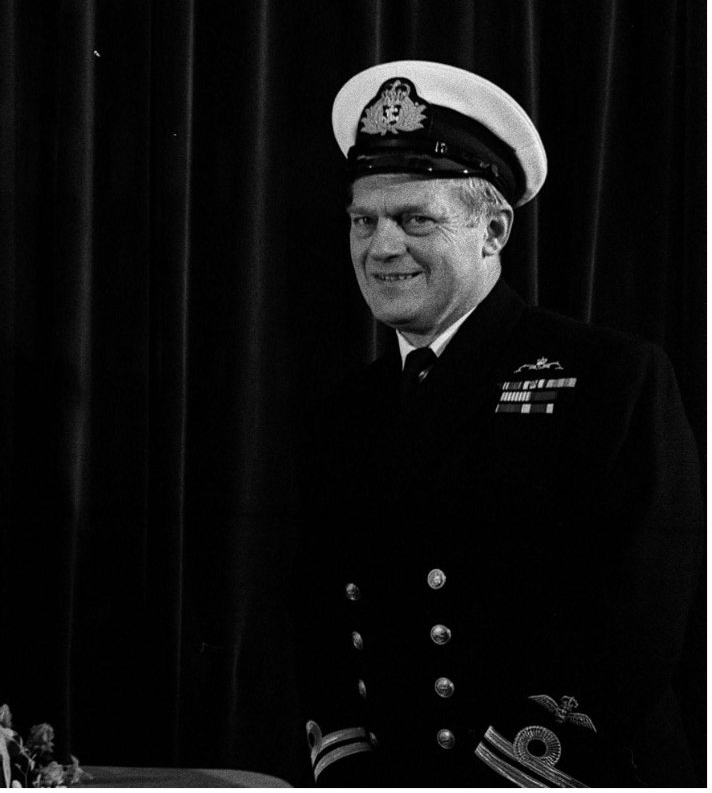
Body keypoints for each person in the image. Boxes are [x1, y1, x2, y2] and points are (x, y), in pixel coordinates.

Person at [296, 60, 702, 786]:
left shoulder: (609, 378)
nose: (381, 247)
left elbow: (636, 619)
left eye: (415, 218)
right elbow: (318, 621)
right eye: (365, 220)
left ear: (493, 230)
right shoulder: (346, 409)